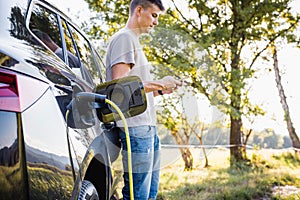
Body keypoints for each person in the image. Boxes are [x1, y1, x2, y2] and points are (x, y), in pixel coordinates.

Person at [105, 0, 182, 199]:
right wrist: (159, 83)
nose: (156, 22)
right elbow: (119, 86)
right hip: (136, 130)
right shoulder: (124, 38)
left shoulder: (133, 42)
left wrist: (162, 90)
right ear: (139, 10)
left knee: (149, 194)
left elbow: (137, 92)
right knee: (138, 195)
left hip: (148, 128)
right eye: (154, 15)